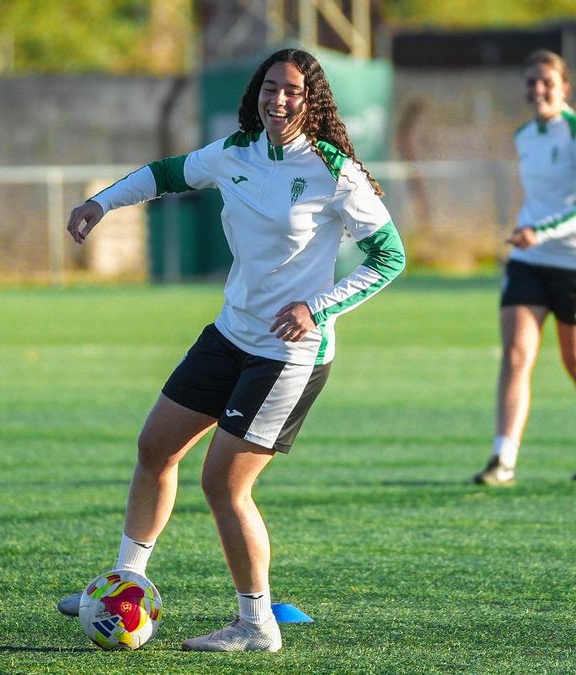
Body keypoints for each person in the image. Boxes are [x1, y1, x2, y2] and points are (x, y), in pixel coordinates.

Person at [55, 47, 405, 652]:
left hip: (289, 355)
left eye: (293, 90)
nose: (280, 99)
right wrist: (100, 203)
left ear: (312, 99)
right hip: (229, 333)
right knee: (155, 448)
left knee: (223, 484)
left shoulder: (333, 171)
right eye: (271, 87)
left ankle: (257, 624)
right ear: (257, 93)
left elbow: (390, 258)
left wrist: (315, 308)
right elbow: (167, 174)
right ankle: (127, 580)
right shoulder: (235, 152)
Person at [473, 49, 576, 487]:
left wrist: (543, 230)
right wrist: (529, 234)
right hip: (529, 260)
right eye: (531, 82)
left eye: (547, 82)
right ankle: (503, 459)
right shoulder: (524, 136)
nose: (538, 90)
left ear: (565, 88)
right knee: (516, 356)